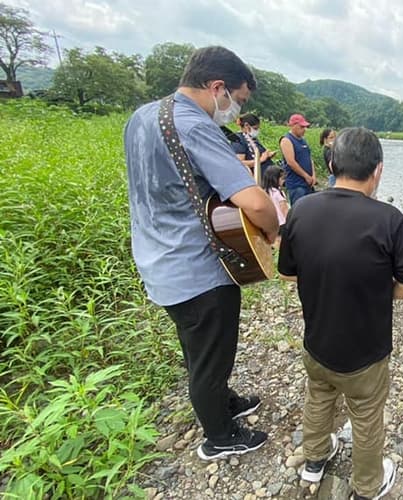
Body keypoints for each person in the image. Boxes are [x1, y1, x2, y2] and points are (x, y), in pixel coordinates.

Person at [124, 46, 279, 460]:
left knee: (198, 348)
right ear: (217, 87)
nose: (234, 109)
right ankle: (220, 437)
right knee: (211, 358)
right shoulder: (194, 125)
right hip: (197, 268)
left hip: (158, 259)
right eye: (237, 99)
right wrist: (273, 230)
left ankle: (224, 402)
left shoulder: (142, 116)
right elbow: (256, 203)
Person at [277, 127, 403, 500]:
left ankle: (314, 459)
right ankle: (367, 486)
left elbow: (287, 273)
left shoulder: (302, 209)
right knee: (367, 416)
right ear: (378, 170)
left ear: (330, 164)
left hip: (317, 342)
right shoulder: (389, 219)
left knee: (318, 397)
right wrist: (376, 288)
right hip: (365, 353)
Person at [280, 113, 316, 205]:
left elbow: (309, 158)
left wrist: (313, 175)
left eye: (305, 127)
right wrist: (306, 176)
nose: (304, 130)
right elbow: (291, 162)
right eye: (301, 127)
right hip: (296, 184)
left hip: (308, 183)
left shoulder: (303, 140)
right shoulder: (286, 140)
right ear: (294, 126)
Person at [261, 165, 288, 246]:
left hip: (271, 224)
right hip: (282, 223)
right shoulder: (278, 192)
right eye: (282, 179)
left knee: (276, 244)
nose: (283, 181)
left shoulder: (263, 193)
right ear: (275, 179)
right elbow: (284, 209)